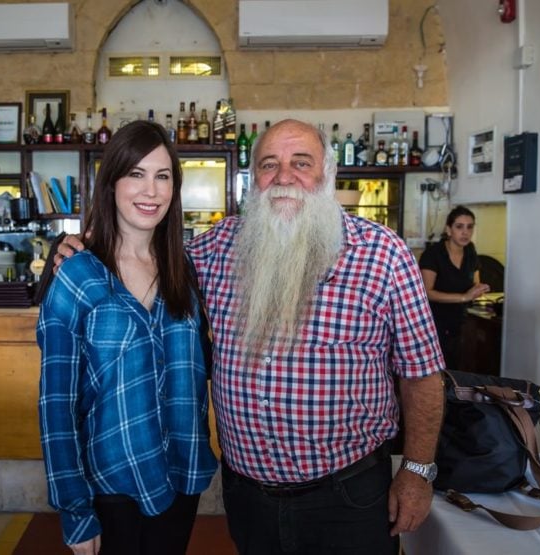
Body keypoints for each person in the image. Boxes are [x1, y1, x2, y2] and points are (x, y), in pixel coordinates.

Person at [56, 119, 445, 554]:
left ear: (328, 174)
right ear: (252, 178)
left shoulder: (383, 254)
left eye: (301, 163)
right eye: (268, 164)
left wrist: (417, 471)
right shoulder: (213, 250)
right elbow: (141, 251)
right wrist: (76, 247)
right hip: (248, 499)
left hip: (348, 496)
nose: (283, 177)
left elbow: (423, 374)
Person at [37, 120, 217, 555]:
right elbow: (55, 405)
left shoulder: (185, 271)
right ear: (112, 182)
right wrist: (75, 510)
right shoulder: (78, 275)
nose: (150, 191)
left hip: (183, 473)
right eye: (136, 174)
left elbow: (200, 367)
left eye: (162, 176)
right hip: (112, 481)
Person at [419, 205, 490, 370]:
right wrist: (464, 297)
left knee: (459, 369)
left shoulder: (470, 250)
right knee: (438, 372)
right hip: (434, 324)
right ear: (449, 229)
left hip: (461, 322)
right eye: (459, 227)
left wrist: (480, 290)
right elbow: (427, 293)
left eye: (469, 227)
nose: (465, 232)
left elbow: (475, 282)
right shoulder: (433, 254)